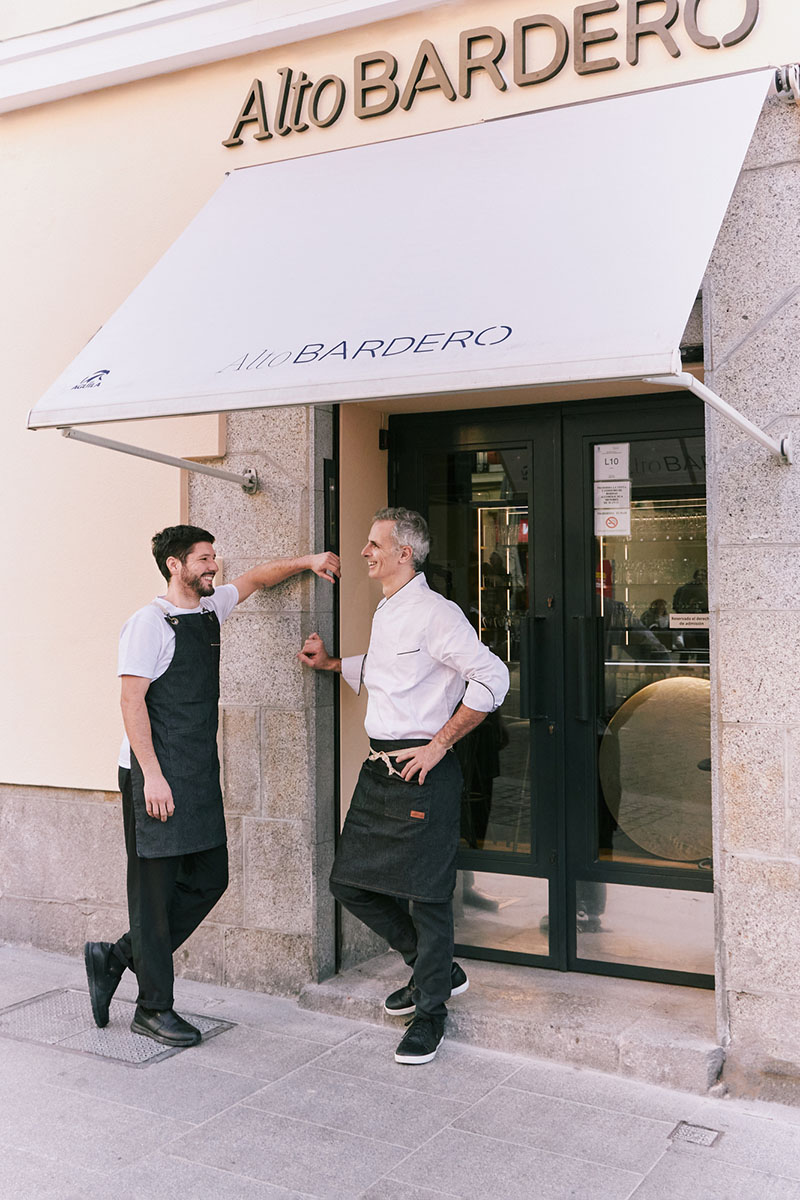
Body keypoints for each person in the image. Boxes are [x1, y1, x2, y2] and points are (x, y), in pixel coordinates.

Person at [84, 524, 339, 1048]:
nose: (214, 566)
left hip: (196, 772)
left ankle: (116, 957)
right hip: (152, 774)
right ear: (176, 565)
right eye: (203, 559)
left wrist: (309, 559)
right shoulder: (146, 624)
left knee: (211, 875)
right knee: (152, 899)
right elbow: (132, 704)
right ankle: (153, 1008)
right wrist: (152, 776)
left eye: (213, 557)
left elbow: (256, 579)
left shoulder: (208, 610)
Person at [298, 507, 509, 1065]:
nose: (365, 552)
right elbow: (390, 670)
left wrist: (440, 744)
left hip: (424, 772)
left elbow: (494, 677)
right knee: (349, 882)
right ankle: (433, 968)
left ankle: (431, 1013)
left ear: (404, 553)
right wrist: (332, 663)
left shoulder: (438, 614)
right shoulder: (389, 610)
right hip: (380, 770)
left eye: (374, 544)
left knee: (429, 897)